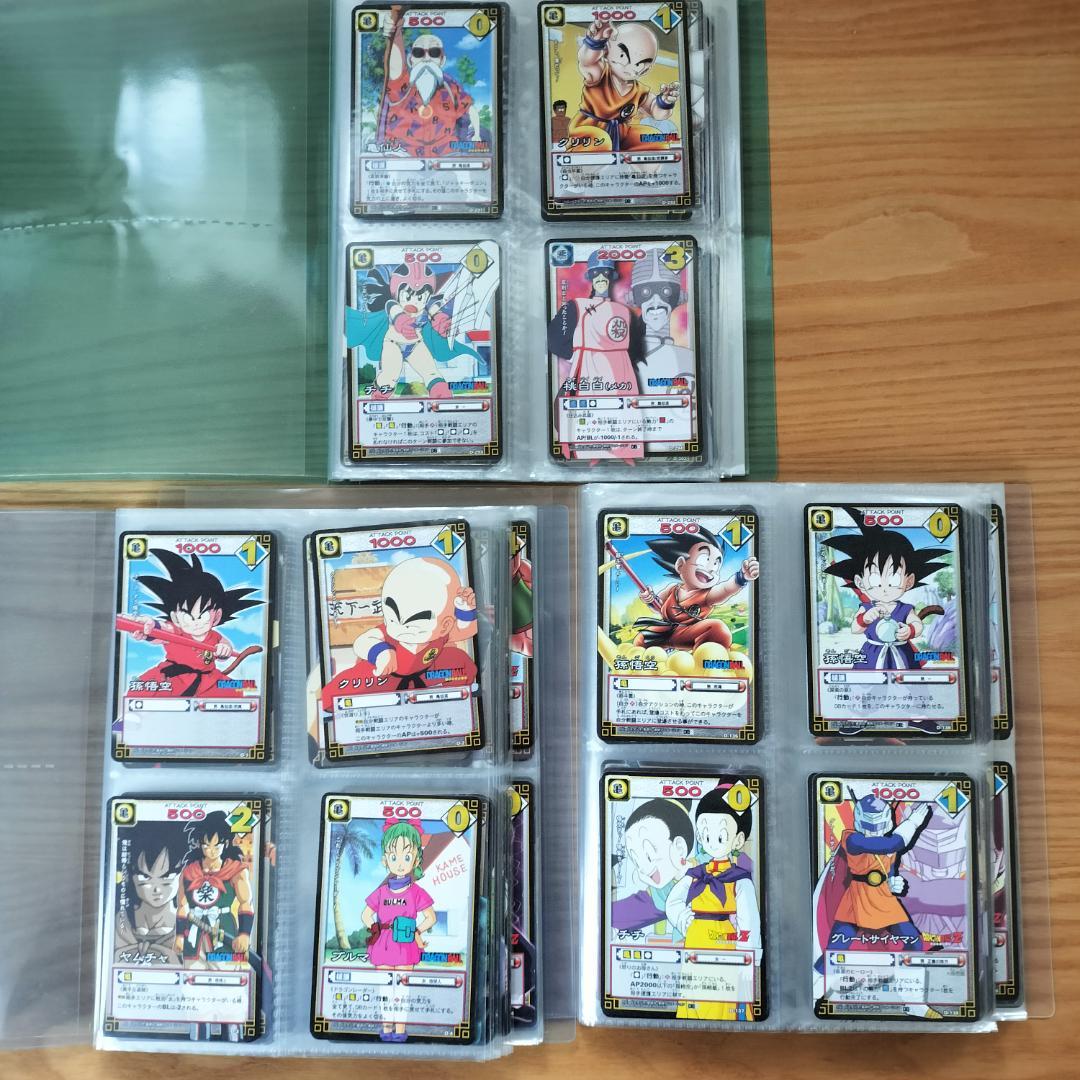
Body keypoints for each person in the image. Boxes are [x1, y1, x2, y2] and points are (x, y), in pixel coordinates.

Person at [320, 555, 478, 709]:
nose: (400, 626)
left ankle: (455, 703)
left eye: (413, 623)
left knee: (460, 661)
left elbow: (464, 631)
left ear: (445, 625)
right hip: (382, 675)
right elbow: (363, 642)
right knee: (333, 695)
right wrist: (381, 653)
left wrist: (466, 611)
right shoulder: (388, 634)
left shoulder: (441, 635)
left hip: (427, 674)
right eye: (393, 618)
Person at [666, 786, 761, 1021]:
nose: (712, 842)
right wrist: (683, 919)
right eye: (706, 835)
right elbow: (673, 901)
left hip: (725, 941)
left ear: (738, 840)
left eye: (720, 837)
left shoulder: (740, 879)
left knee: (723, 1001)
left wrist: (748, 957)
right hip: (695, 939)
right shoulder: (696, 873)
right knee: (694, 999)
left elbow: (750, 921)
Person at [822, 509, 949, 670]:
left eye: (894, 579)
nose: (884, 587)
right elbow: (855, 629)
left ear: (909, 581)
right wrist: (865, 619)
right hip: (871, 654)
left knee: (907, 682)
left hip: (902, 654)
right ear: (860, 582)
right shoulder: (866, 607)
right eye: (875, 579)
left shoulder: (905, 609)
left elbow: (917, 624)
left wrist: (910, 630)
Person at [126, 549, 261, 697]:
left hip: (209, 680)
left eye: (203, 614)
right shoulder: (175, 630)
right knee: (139, 692)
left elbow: (225, 647)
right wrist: (149, 627)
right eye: (187, 615)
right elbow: (161, 631)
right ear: (175, 617)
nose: (195, 621)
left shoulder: (215, 636)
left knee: (247, 689)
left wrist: (224, 650)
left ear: (217, 616)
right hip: (173, 677)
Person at [362, 821, 437, 1042]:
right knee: (386, 989)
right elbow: (366, 915)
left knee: (402, 989)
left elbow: (430, 917)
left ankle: (400, 1030)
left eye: (407, 856)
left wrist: (415, 931)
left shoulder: (417, 892)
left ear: (416, 859)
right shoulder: (381, 892)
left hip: (405, 945)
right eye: (394, 857)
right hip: (383, 945)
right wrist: (376, 930)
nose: (401, 863)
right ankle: (386, 1029)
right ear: (385, 859)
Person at [633, 525, 759, 650]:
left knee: (718, 629)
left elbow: (726, 589)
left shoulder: (707, 595)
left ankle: (702, 655)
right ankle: (656, 655)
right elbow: (657, 606)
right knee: (641, 638)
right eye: (704, 560)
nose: (710, 569)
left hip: (690, 634)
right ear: (680, 565)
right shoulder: (672, 589)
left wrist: (742, 577)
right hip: (665, 631)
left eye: (716, 564)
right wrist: (649, 599)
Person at [375, 14, 480, 157]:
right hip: (403, 154)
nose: (426, 58)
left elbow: (470, 109)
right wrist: (395, 32)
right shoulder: (402, 84)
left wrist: (477, 134)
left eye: (434, 53)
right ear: (411, 60)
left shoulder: (451, 87)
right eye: (418, 53)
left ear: (442, 61)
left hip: (446, 154)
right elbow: (394, 65)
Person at [569, 21, 680, 151]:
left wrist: (665, 102)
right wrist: (595, 41)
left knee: (655, 138)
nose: (632, 67)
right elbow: (587, 62)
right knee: (601, 141)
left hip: (621, 134)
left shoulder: (640, 91)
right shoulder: (600, 75)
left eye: (641, 63)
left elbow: (657, 113)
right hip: (589, 131)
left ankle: (640, 165)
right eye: (623, 56)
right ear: (606, 51)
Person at [611, 798, 695, 937]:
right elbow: (616, 915)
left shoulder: (707, 878)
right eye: (637, 862)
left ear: (679, 848)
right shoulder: (656, 896)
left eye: (649, 856)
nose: (643, 869)